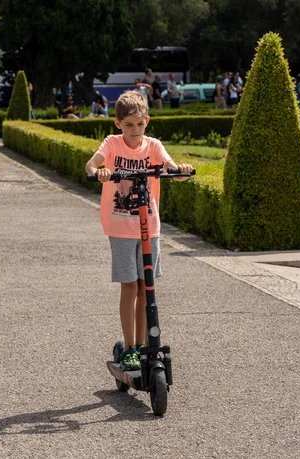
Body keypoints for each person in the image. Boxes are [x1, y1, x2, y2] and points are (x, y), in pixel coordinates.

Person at [84, 91, 193, 371]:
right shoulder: (112, 144)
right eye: (128, 124)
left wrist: (180, 170)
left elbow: (172, 169)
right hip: (121, 227)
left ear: (147, 121)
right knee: (130, 286)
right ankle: (130, 347)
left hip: (149, 227)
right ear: (118, 124)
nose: (135, 130)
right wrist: (101, 171)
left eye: (140, 124)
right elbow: (91, 164)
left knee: (147, 286)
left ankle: (145, 345)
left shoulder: (154, 146)